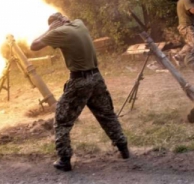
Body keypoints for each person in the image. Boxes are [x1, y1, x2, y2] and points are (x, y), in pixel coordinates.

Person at [30, 12, 129, 172]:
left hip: (79, 81)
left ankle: (64, 160)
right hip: (96, 78)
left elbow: (34, 46)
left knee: (62, 120)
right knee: (107, 115)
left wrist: (50, 30)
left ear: (54, 24)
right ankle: (124, 149)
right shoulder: (79, 23)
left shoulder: (58, 32)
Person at [174, 0, 194, 67]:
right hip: (187, 26)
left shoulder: (182, 0)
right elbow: (193, 10)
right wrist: (193, 4)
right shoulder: (186, 0)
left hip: (185, 26)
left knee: (191, 44)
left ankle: (178, 56)